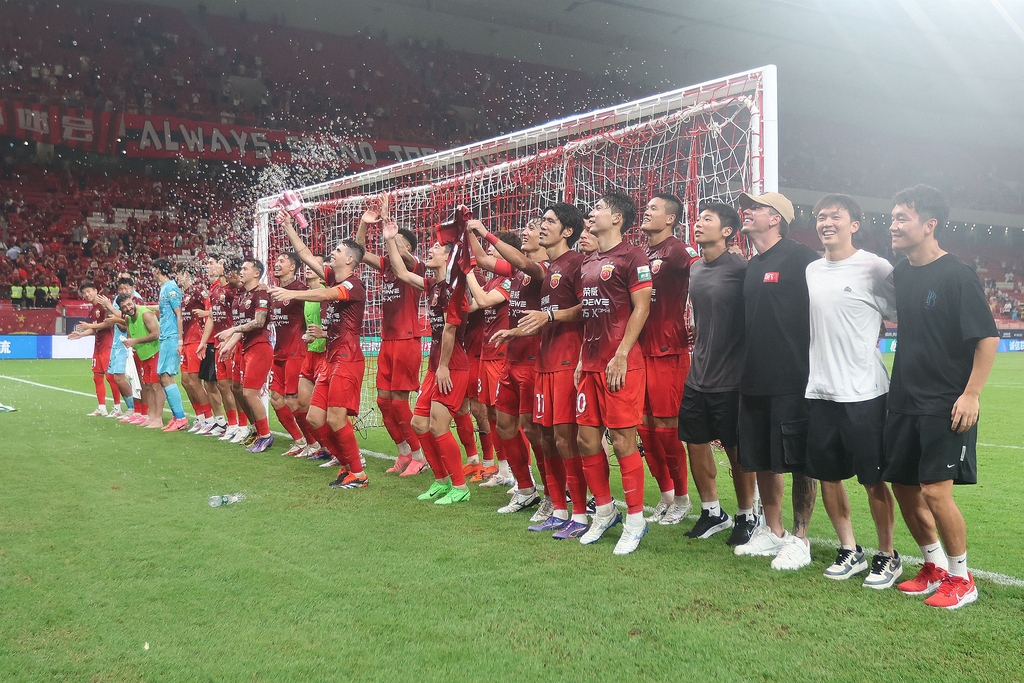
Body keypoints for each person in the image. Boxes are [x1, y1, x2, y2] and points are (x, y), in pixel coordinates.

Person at [884, 185, 998, 609]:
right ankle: (933, 568)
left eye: (902, 218)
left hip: (945, 400)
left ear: (930, 224)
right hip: (904, 398)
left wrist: (971, 394)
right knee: (904, 487)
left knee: (935, 491)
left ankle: (962, 579)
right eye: (893, 217)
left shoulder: (957, 274)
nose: (893, 225)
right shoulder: (902, 272)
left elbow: (987, 337)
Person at [803, 194, 902, 587]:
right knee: (829, 476)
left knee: (873, 479)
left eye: (836, 216)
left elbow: (902, 312)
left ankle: (887, 554)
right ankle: (850, 550)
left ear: (854, 224)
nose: (827, 222)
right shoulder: (811, 269)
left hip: (865, 392)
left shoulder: (875, 267)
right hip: (821, 390)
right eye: (821, 216)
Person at [487, 204, 592, 536]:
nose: (541, 226)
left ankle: (584, 508)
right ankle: (559, 506)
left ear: (567, 232)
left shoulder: (572, 264)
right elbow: (540, 317)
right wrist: (516, 332)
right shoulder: (552, 267)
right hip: (541, 360)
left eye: (549, 222)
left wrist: (483, 232)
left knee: (567, 439)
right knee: (547, 437)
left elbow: (584, 308)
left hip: (562, 363)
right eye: (541, 221)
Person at [731, 191, 820, 571]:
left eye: (757, 208)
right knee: (761, 459)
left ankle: (801, 538)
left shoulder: (802, 258)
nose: (747, 212)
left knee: (798, 460)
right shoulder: (752, 266)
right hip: (753, 377)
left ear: (776, 218)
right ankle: (773, 530)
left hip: (794, 378)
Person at [575, 191, 653, 555]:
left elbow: (641, 308)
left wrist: (621, 354)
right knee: (586, 440)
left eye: (600, 208)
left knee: (622, 441)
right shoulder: (590, 261)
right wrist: (580, 358)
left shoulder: (633, 256)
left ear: (618, 217)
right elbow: (589, 314)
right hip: (589, 363)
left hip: (619, 363)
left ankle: (636, 520)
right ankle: (604, 512)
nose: (592, 213)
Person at [677, 202, 758, 544]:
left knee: (736, 450)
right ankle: (712, 512)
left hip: (731, 376)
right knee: (695, 443)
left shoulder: (741, 268)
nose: (697, 224)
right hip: (698, 373)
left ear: (727, 232)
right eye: (697, 219)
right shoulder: (695, 268)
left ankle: (747, 514)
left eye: (706, 220)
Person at [274, 211, 369, 489]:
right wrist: (290, 227)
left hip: (347, 359)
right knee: (315, 418)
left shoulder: (354, 284)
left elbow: (327, 295)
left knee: (336, 417)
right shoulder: (335, 279)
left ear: (349, 259)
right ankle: (346, 465)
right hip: (331, 358)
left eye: (338, 250)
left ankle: (359, 473)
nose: (332, 252)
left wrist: (294, 293)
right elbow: (305, 255)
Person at [384, 216, 473, 505]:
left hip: (452, 365)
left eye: (437, 247)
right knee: (420, 425)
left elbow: (450, 329)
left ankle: (460, 486)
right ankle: (441, 480)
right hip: (436, 365)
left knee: (438, 426)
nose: (431, 250)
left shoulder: (455, 289)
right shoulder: (433, 284)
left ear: (449, 257)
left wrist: (444, 367)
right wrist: (389, 238)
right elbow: (401, 270)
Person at [466, 217, 549, 512]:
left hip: (534, 360)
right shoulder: (516, 271)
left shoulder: (545, 270)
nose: (525, 231)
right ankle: (524, 488)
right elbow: (481, 261)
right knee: (503, 424)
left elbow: (525, 266)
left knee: (535, 429)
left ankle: (552, 493)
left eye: (533, 227)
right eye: (525, 226)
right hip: (509, 358)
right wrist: (470, 232)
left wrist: (486, 233)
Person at [355, 199, 427, 475]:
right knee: (384, 401)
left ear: (406, 246)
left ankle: (420, 457)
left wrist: (388, 225)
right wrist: (364, 223)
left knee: (399, 401)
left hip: (407, 340)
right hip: (387, 340)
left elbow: (404, 260)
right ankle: (404, 452)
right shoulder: (385, 265)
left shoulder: (415, 266)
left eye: (395, 239)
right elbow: (358, 253)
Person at [637, 193, 696, 524]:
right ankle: (666, 495)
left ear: (671, 218)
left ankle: (683, 497)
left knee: (666, 431)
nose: (647, 211)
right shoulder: (642, 253)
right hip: (639, 351)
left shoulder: (677, 250)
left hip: (667, 351)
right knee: (644, 431)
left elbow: (702, 270)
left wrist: (697, 316)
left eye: (654, 208)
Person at [464, 232, 517, 484]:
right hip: (487, 355)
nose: (488, 252)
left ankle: (520, 474)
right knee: (492, 415)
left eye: (494, 248)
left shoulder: (510, 278)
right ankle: (504, 471)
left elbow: (483, 301)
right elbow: (473, 305)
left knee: (507, 415)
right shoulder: (494, 280)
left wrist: (467, 272)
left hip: (500, 356)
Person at [217, 259, 275, 452]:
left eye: (245, 268)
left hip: (259, 346)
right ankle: (257, 431)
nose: (241, 271)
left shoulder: (261, 293)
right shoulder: (243, 296)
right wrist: (230, 345)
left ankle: (265, 435)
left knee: (250, 393)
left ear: (257, 273)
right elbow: (242, 330)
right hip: (245, 347)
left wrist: (232, 330)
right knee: (238, 388)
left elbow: (259, 322)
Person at [268, 251, 310, 456]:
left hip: (296, 351)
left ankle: (314, 443)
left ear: (293, 267)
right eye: (276, 261)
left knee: (294, 400)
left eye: (282, 261)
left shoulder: (302, 291)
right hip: (279, 352)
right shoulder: (275, 293)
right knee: (275, 398)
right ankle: (299, 440)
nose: (277, 264)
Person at [205, 256, 245, 440]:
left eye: (220, 264)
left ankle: (243, 425)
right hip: (218, 342)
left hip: (232, 343)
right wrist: (204, 342)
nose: (213, 267)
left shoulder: (233, 290)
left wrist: (232, 339)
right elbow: (214, 317)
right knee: (222, 385)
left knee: (234, 386)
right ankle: (232, 424)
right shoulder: (215, 290)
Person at [293, 259, 327, 461]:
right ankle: (322, 445)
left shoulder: (326, 294)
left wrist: (322, 335)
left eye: (315, 264)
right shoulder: (307, 295)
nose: (308, 266)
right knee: (302, 403)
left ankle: (337, 449)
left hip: (325, 354)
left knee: (326, 409)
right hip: (310, 354)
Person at [69, 281, 120, 417]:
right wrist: (81, 334)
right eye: (84, 293)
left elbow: (108, 324)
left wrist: (89, 325)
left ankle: (117, 407)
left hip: (108, 344)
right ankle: (102, 408)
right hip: (98, 346)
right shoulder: (92, 309)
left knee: (110, 377)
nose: (87, 294)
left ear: (96, 290)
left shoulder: (104, 304)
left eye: (89, 291)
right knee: (97, 377)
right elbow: (93, 328)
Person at [176, 262, 216, 433]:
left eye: (178, 273)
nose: (176, 277)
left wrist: (206, 314)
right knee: (185, 381)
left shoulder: (199, 290)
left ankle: (210, 419)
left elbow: (213, 309)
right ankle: (200, 418)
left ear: (185, 273)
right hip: (186, 341)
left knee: (194, 381)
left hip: (196, 340)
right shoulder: (184, 294)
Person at [151, 259, 189, 432]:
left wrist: (180, 339)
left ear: (158, 270)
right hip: (166, 336)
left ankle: (181, 417)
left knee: (166, 375)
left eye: (153, 268)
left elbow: (179, 314)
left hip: (172, 336)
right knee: (163, 375)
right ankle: (176, 416)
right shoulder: (165, 288)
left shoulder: (171, 288)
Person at [119, 293, 161, 427]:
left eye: (129, 304)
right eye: (124, 307)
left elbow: (156, 334)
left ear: (133, 301)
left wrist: (134, 341)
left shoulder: (145, 314)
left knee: (156, 386)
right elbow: (131, 336)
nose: (128, 308)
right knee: (147, 386)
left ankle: (158, 418)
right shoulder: (128, 319)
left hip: (155, 352)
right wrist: (129, 343)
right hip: (143, 355)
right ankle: (151, 416)